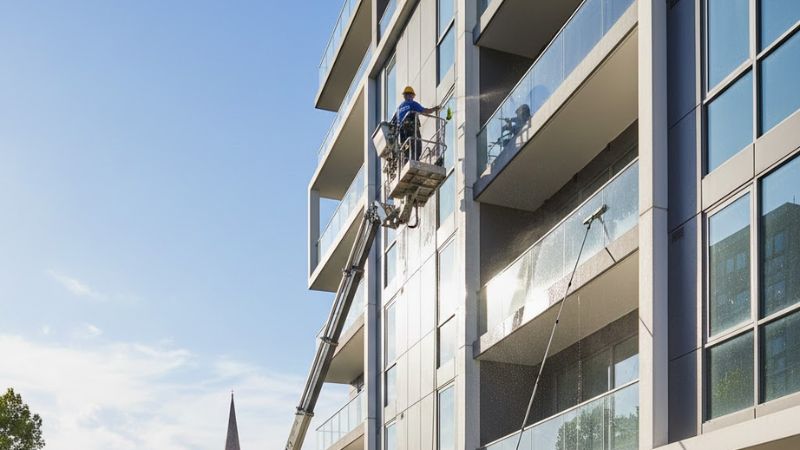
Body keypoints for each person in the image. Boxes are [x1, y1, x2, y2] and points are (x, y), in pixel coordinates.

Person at [392, 86, 439, 161]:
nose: (412, 97)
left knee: (405, 148)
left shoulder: (399, 108)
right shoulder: (412, 104)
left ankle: (406, 161)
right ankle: (415, 161)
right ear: (410, 95)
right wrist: (434, 109)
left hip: (402, 132)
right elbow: (424, 111)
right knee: (417, 146)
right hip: (411, 128)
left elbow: (393, 122)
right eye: (411, 95)